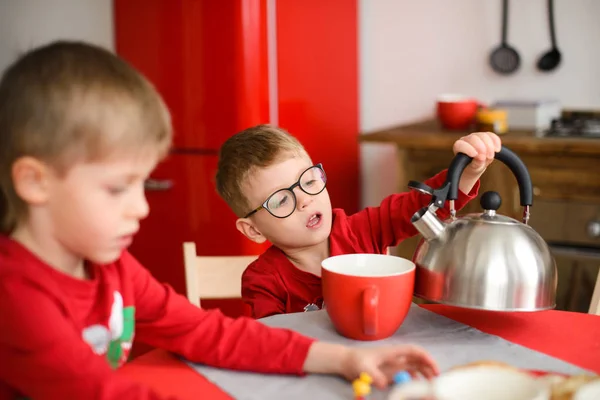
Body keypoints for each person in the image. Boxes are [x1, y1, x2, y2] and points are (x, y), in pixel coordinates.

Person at [0, 41, 439, 399]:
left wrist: (344, 360)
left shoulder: (113, 270)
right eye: (118, 187)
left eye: (142, 184)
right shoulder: (17, 299)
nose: (142, 207)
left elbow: (209, 333)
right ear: (36, 182)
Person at [215, 125, 501, 319]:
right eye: (280, 200)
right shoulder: (262, 281)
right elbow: (271, 344)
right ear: (253, 229)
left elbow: (419, 205)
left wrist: (468, 170)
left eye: (309, 181)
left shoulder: (362, 230)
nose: (304, 200)